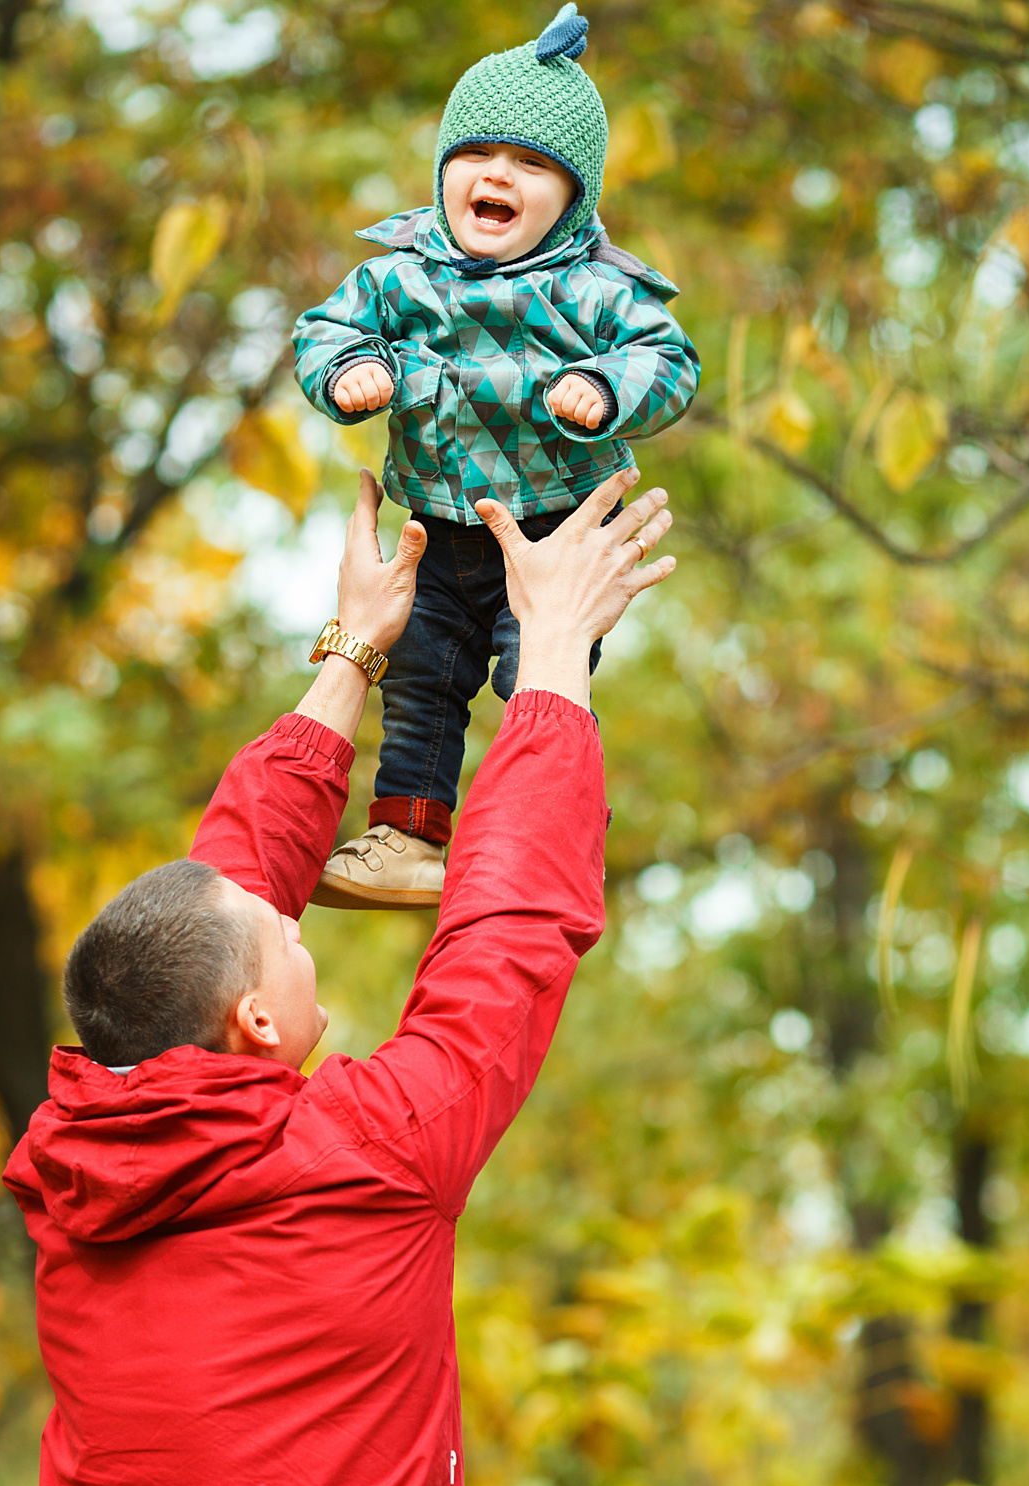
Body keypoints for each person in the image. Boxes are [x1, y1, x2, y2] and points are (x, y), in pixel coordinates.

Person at [0, 466, 673, 1486]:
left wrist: (354, 652)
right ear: (250, 1024)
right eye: (285, 942)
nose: (299, 923)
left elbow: (205, 906)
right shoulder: (363, 1155)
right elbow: (511, 930)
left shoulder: (74, 1163)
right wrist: (550, 662)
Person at [291, 3, 699, 911]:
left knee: (538, 679)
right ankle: (405, 836)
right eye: (477, 157)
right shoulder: (400, 273)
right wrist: (352, 368)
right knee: (423, 684)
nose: (498, 176)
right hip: (436, 530)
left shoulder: (593, 285)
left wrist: (603, 389)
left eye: (532, 164)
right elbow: (325, 330)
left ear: (574, 196)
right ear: (444, 172)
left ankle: (548, 831)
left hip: (551, 533)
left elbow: (667, 359)